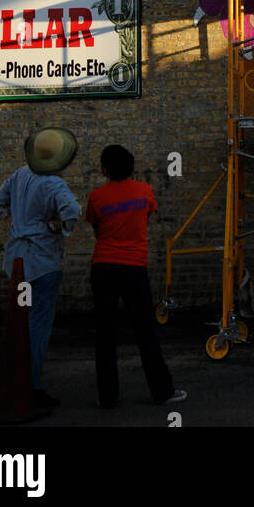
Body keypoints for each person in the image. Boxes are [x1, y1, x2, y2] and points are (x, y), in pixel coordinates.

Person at [86, 144, 186, 409]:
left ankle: (107, 397)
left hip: (104, 267)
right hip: (134, 267)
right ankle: (162, 392)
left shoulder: (96, 196)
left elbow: (97, 228)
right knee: (145, 332)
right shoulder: (145, 191)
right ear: (130, 166)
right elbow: (145, 218)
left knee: (105, 334)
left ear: (104, 169)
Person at [0, 126, 81, 408]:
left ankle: (14, 380)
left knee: (19, 322)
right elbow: (72, 214)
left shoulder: (18, 175)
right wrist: (53, 227)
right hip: (42, 262)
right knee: (37, 326)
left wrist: (19, 223)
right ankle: (30, 385)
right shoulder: (54, 184)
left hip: (17, 263)